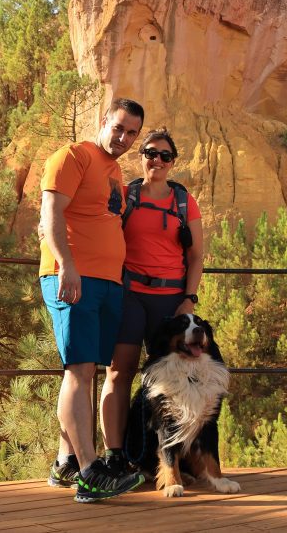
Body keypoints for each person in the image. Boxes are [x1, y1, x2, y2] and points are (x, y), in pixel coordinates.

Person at [39, 97, 146, 503]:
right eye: (118, 127)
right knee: (79, 370)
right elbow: (51, 210)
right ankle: (89, 474)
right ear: (104, 121)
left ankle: (67, 460)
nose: (124, 137)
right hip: (75, 278)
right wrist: (66, 264)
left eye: (132, 132)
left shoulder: (115, 171)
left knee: (87, 371)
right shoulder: (73, 155)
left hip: (107, 283)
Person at [98, 127, 204, 473]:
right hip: (130, 296)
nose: (157, 160)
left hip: (170, 301)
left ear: (173, 162)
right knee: (120, 372)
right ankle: (116, 456)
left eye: (165, 155)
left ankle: (174, 460)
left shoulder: (185, 201)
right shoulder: (126, 195)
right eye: (150, 153)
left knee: (174, 379)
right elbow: (94, 223)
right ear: (141, 156)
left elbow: (197, 256)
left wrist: (188, 299)